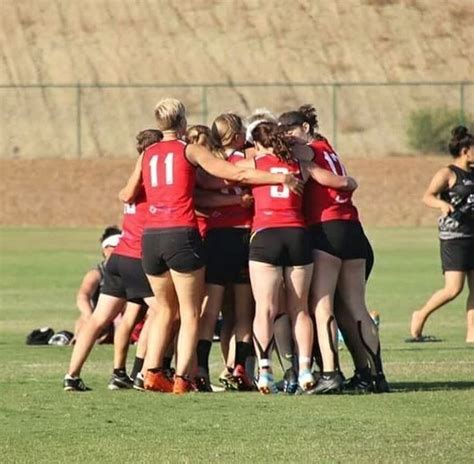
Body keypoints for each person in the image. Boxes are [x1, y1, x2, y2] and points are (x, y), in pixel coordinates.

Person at [122, 98, 303, 394]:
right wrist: (278, 177)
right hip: (181, 233)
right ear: (182, 122)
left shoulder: (148, 153)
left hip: (151, 237)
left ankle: (151, 373)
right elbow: (236, 173)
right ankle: (182, 378)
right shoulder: (188, 149)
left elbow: (127, 193)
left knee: (165, 311)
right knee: (192, 312)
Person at [235, 121, 356, 394]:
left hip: (266, 235)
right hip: (298, 235)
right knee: (300, 309)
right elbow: (338, 182)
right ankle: (304, 371)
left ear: (257, 144)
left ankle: (265, 372)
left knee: (265, 308)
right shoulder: (300, 165)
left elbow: (224, 175)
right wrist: (351, 182)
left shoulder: (253, 166)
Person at [280, 105, 389, 393]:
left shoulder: (307, 151)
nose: (288, 138)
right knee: (354, 307)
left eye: (290, 131)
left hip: (326, 229)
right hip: (352, 227)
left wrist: (340, 181)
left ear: (304, 127)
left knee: (322, 303)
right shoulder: (326, 145)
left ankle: (331, 373)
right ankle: (373, 375)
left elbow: (329, 179)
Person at [63, 129, 163, 392]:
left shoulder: (133, 178)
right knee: (165, 312)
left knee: (100, 319)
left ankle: (74, 376)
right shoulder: (153, 182)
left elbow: (125, 195)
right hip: (138, 259)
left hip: (118, 258)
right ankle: (145, 374)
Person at [194, 113, 255, 392]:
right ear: (235, 136)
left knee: (211, 310)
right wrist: (238, 200)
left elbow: (201, 197)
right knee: (244, 311)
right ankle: (240, 368)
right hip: (242, 236)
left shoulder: (209, 165)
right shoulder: (246, 162)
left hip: (218, 238)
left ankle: (202, 371)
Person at [409, 126, 474, 343]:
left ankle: (472, 336)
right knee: (454, 288)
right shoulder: (447, 173)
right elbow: (427, 196)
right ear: (465, 150)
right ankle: (421, 315)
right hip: (454, 238)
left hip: (473, 235)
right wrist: (441, 204)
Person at [73, 226, 122, 343]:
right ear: (104, 250)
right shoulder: (96, 273)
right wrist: (88, 316)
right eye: (114, 247)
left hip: (122, 318)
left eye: (121, 247)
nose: (117, 251)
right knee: (83, 319)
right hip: (100, 316)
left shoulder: (130, 270)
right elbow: (83, 296)